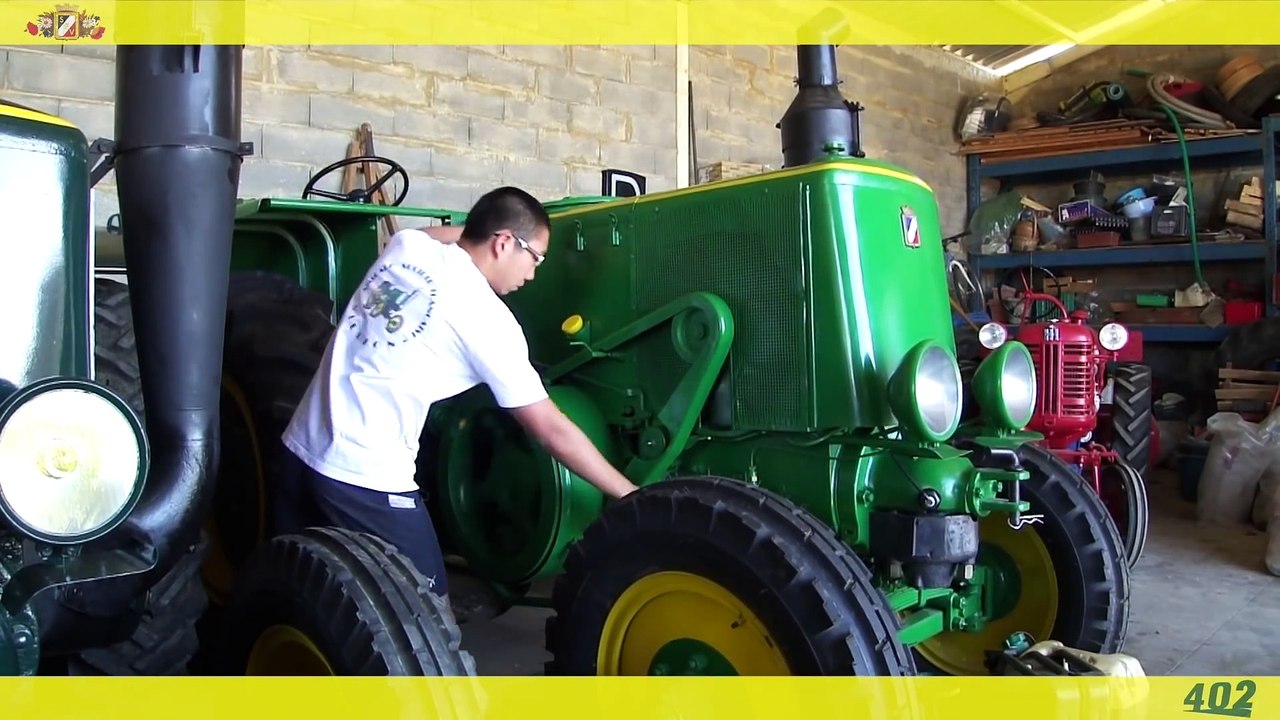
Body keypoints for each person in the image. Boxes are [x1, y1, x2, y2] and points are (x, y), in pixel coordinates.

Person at [273, 186, 639, 598]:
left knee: (295, 585)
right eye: (534, 257)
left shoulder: (407, 247)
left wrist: (484, 229)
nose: (533, 274)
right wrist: (629, 494)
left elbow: (443, 237)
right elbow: (551, 430)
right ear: (503, 243)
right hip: (365, 476)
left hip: (300, 446)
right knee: (423, 613)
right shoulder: (487, 320)